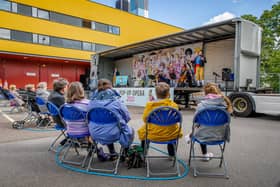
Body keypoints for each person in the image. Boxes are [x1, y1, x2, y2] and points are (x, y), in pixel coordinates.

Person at [185, 82, 232, 161]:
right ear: (218, 91)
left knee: (201, 128)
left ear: (205, 93)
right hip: (220, 136)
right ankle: (190, 136)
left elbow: (195, 121)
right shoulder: (225, 105)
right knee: (206, 127)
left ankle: (204, 154)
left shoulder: (201, 106)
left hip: (202, 136)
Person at [88, 79, 134, 158]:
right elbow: (127, 117)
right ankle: (125, 154)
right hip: (113, 134)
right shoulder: (117, 102)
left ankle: (112, 152)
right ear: (111, 87)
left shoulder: (91, 102)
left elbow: (88, 119)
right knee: (128, 130)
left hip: (94, 134)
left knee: (107, 125)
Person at [137, 82, 183, 159]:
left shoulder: (150, 105)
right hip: (170, 134)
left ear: (156, 93)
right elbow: (178, 119)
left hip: (153, 133)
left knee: (143, 132)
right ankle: (172, 155)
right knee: (174, 130)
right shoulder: (173, 105)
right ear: (168, 93)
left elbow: (145, 119)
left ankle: (143, 154)